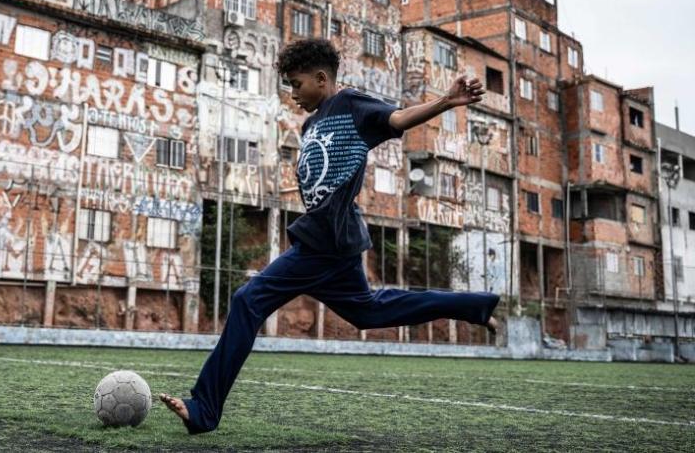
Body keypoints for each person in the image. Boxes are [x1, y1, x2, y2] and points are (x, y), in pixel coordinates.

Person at [160, 38, 500, 434]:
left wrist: (446, 101)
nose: (292, 94)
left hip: (324, 242)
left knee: (247, 300)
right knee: (369, 312)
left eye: (297, 84)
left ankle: (203, 407)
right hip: (334, 243)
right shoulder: (311, 123)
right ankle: (475, 306)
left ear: (321, 78)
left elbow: (398, 119)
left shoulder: (353, 105)